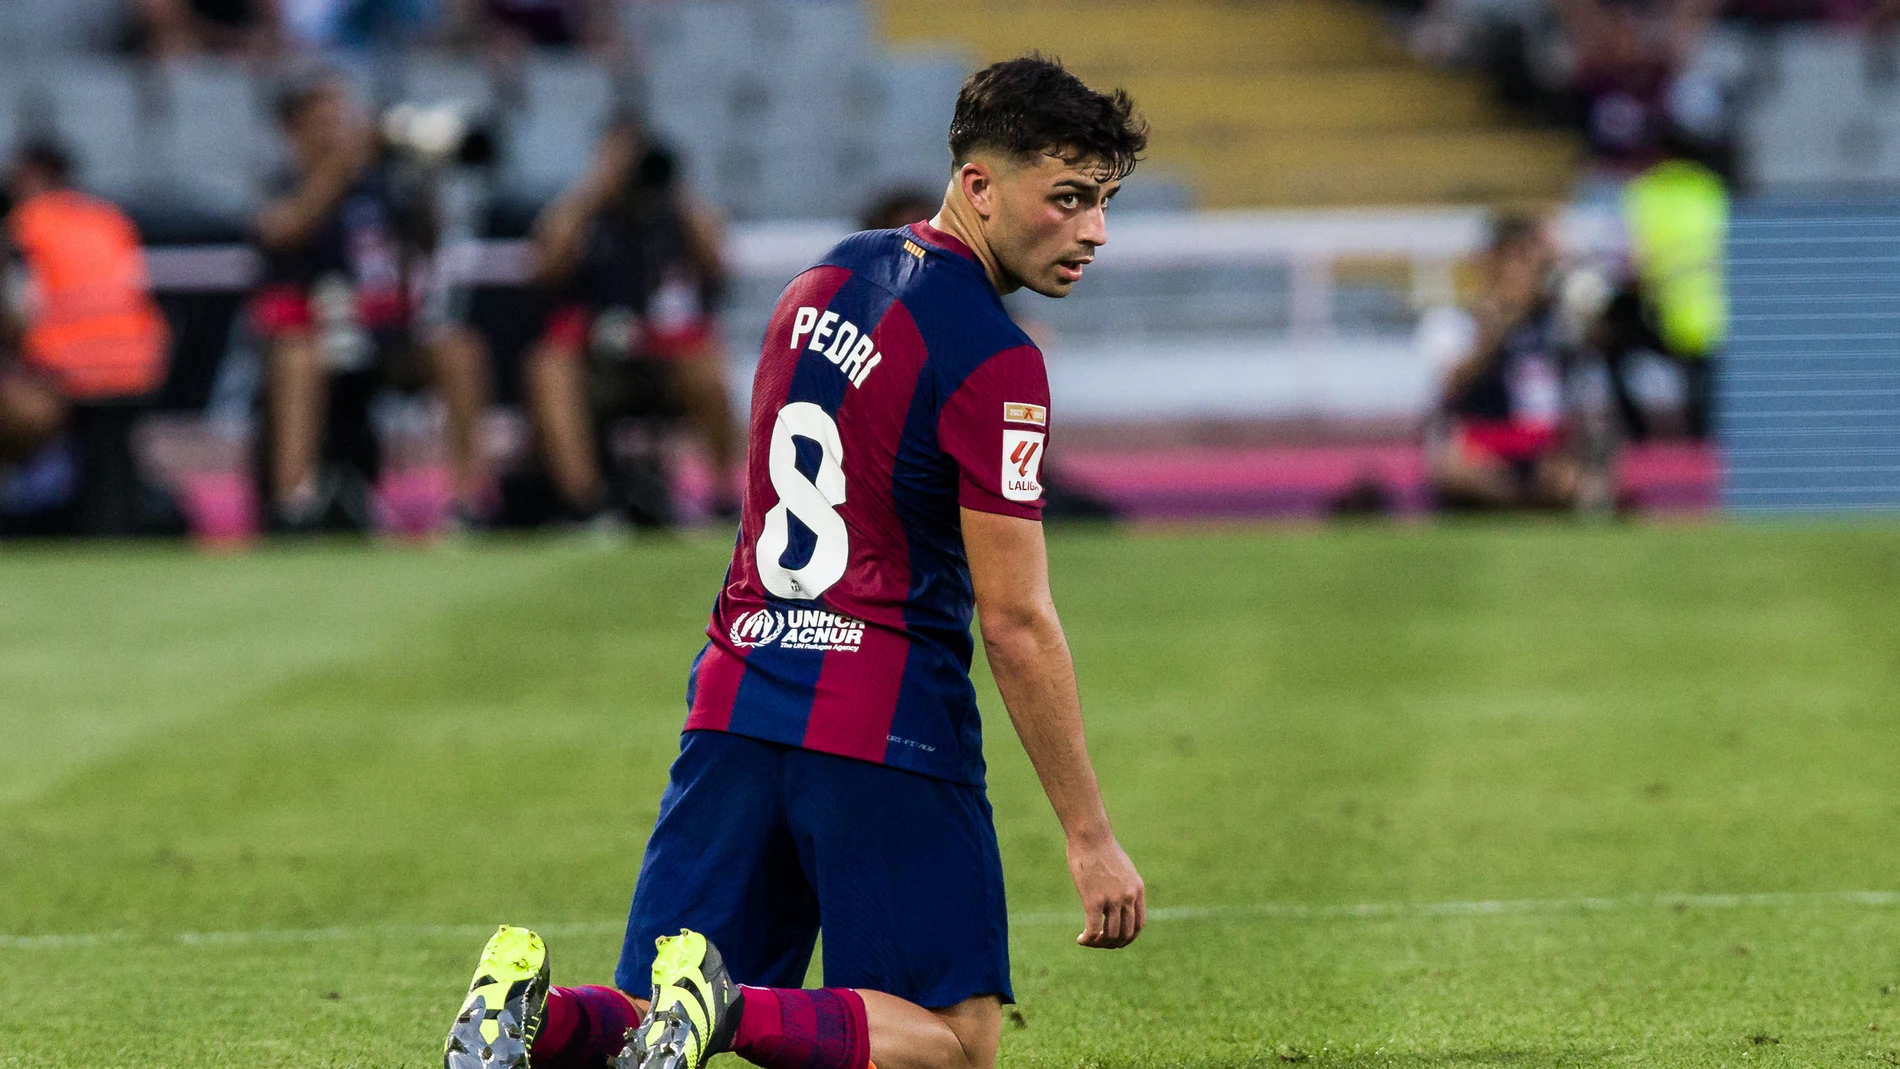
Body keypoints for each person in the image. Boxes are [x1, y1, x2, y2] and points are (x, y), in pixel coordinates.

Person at [442, 55, 1150, 1069]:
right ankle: (725, 1014)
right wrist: (1088, 835)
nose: (1093, 231)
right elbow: (1016, 619)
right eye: (1069, 198)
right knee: (952, 1040)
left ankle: (533, 1014)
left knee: (652, 1013)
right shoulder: (995, 356)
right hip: (883, 719)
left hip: (735, 694)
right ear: (980, 187)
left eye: (1105, 202)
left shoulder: (818, 283)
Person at [253, 72, 492, 532]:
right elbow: (283, 231)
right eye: (324, 122)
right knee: (296, 358)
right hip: (318, 335)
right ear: (294, 130)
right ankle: (293, 505)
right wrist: (337, 170)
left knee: (459, 352)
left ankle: (468, 501)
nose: (338, 130)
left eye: (340, 120)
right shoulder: (279, 181)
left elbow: (429, 242)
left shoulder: (379, 185)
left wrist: (422, 177)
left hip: (386, 336)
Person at [520, 117, 740, 524]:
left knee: (708, 365)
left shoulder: (674, 214)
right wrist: (593, 190)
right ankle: (587, 506)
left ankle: (726, 499)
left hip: (665, 359)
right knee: (549, 368)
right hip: (596, 363)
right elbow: (546, 266)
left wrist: (673, 186)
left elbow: (717, 265)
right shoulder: (586, 214)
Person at [1, 141, 173, 532]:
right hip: (142, 366)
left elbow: (19, 311)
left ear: (34, 177)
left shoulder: (27, 225)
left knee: (19, 413)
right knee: (110, 454)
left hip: (68, 371)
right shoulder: (108, 218)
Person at [1425, 214, 1587, 511]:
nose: (1515, 274)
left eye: (1525, 263)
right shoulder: (1459, 322)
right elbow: (1451, 383)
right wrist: (1494, 332)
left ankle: (1534, 500)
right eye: (1507, 262)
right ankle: (1523, 504)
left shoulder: (1556, 324)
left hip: (1542, 449)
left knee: (1577, 475)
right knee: (1452, 465)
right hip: (1486, 447)